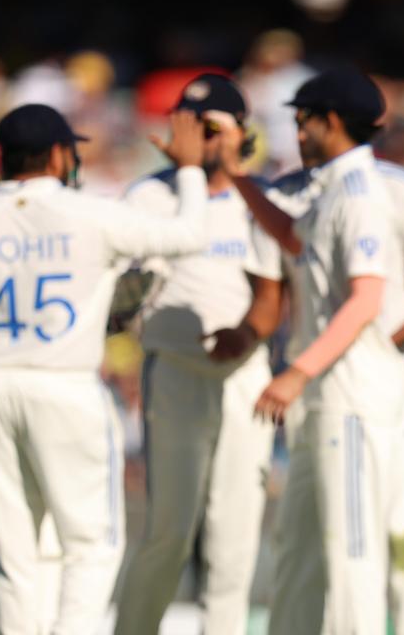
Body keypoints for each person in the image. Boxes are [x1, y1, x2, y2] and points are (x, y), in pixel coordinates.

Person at [0, 103, 210, 634]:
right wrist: (191, 167)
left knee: (10, 554)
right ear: (58, 155)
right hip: (64, 386)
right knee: (91, 546)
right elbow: (190, 235)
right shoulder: (92, 213)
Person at [224, 68, 404, 634]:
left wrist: (296, 372)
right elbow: (298, 243)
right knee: (300, 546)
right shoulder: (330, 189)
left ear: (329, 122)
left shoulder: (363, 192)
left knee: (356, 551)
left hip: (353, 394)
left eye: (303, 122)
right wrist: (240, 178)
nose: (296, 134)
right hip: (327, 396)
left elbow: (367, 297)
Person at [113, 74, 280, 635]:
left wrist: (247, 335)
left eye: (211, 127)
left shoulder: (259, 200)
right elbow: (119, 292)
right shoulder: (147, 196)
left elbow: (272, 296)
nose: (198, 138)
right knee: (168, 533)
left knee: (233, 541)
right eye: (187, 125)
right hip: (174, 374)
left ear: (241, 133)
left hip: (243, 377)